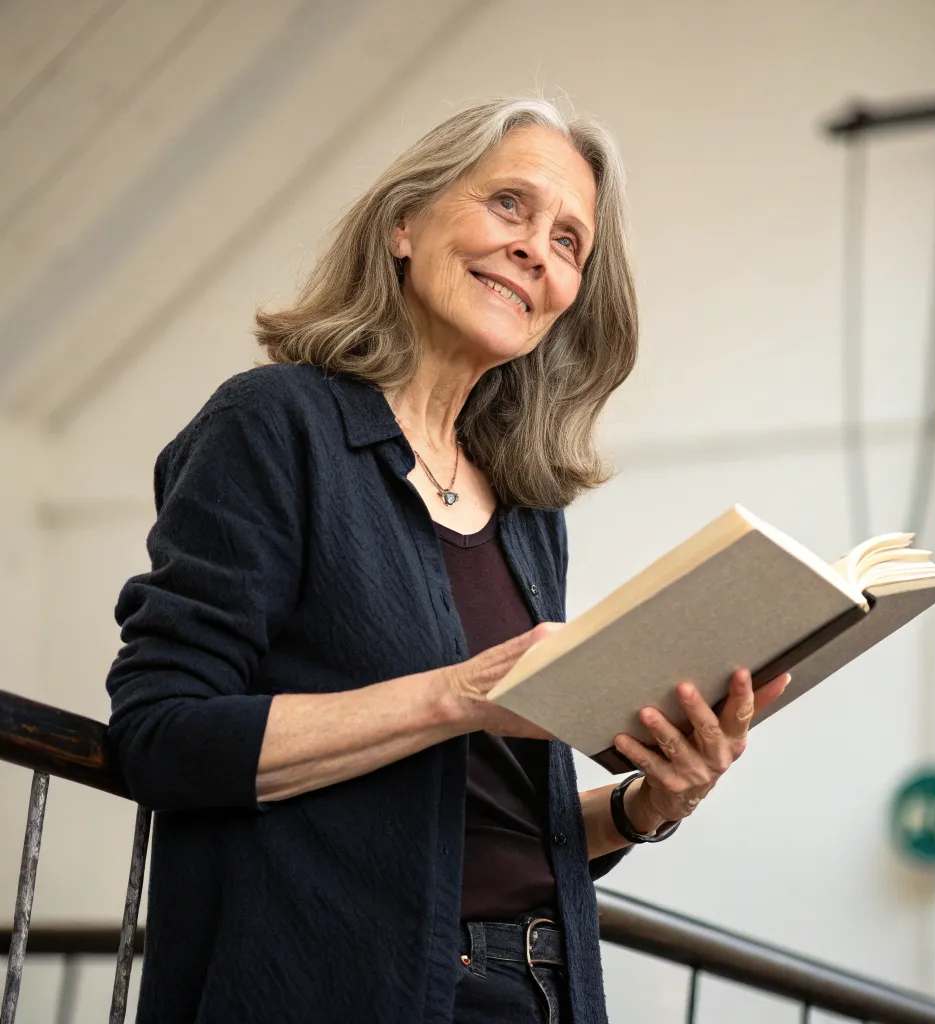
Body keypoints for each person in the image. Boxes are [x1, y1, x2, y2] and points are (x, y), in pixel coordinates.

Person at [105, 97, 790, 1024]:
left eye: (568, 242)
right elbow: (162, 737)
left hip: (546, 991)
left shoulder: (526, 506)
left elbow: (496, 826)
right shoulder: (273, 424)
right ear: (403, 223)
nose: (535, 250)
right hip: (341, 984)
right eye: (509, 204)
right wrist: (455, 697)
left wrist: (646, 805)